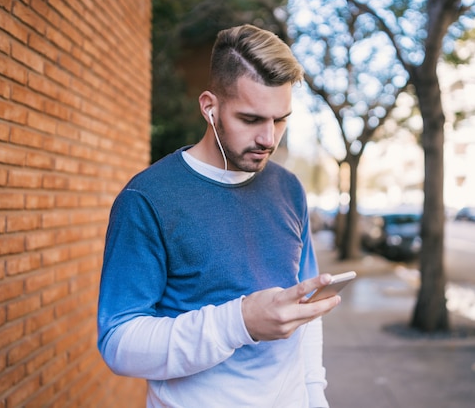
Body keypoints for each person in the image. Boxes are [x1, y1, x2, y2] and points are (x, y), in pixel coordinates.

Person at [97, 24, 340, 408]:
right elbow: (119, 343)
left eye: (280, 119)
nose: (269, 139)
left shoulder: (289, 188)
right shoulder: (147, 198)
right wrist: (239, 322)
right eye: (251, 119)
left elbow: (304, 309)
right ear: (210, 107)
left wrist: (315, 396)